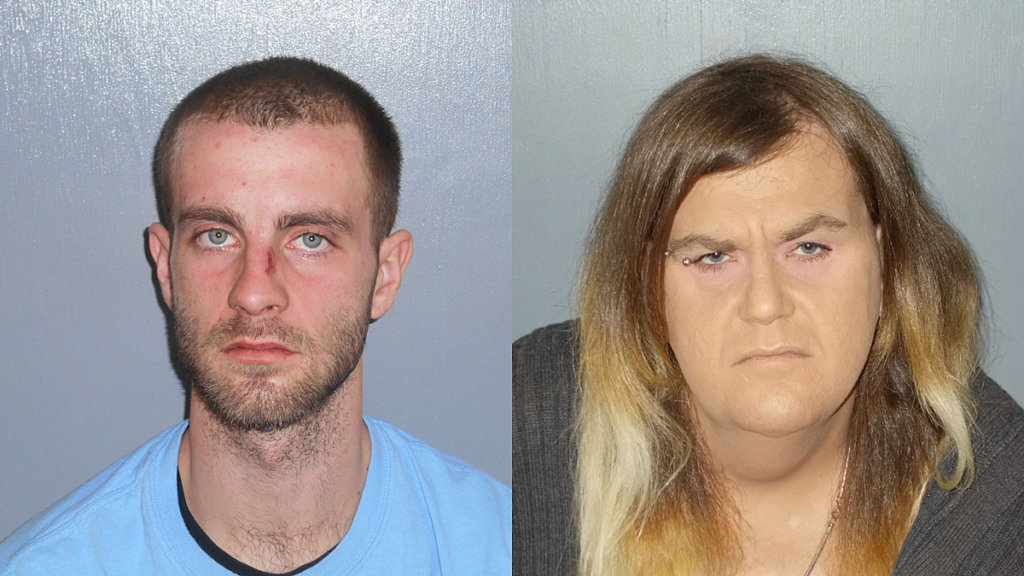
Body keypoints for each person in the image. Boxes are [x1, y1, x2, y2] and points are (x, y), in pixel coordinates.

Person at [513, 54, 1024, 575]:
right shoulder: (527, 425)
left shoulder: (1001, 504)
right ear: (646, 286)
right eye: (713, 257)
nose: (765, 305)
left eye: (809, 248)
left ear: (887, 261)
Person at [1, 56, 511, 575]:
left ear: (384, 275)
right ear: (166, 268)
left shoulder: (506, 550)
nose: (253, 292)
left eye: (310, 240)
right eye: (216, 236)